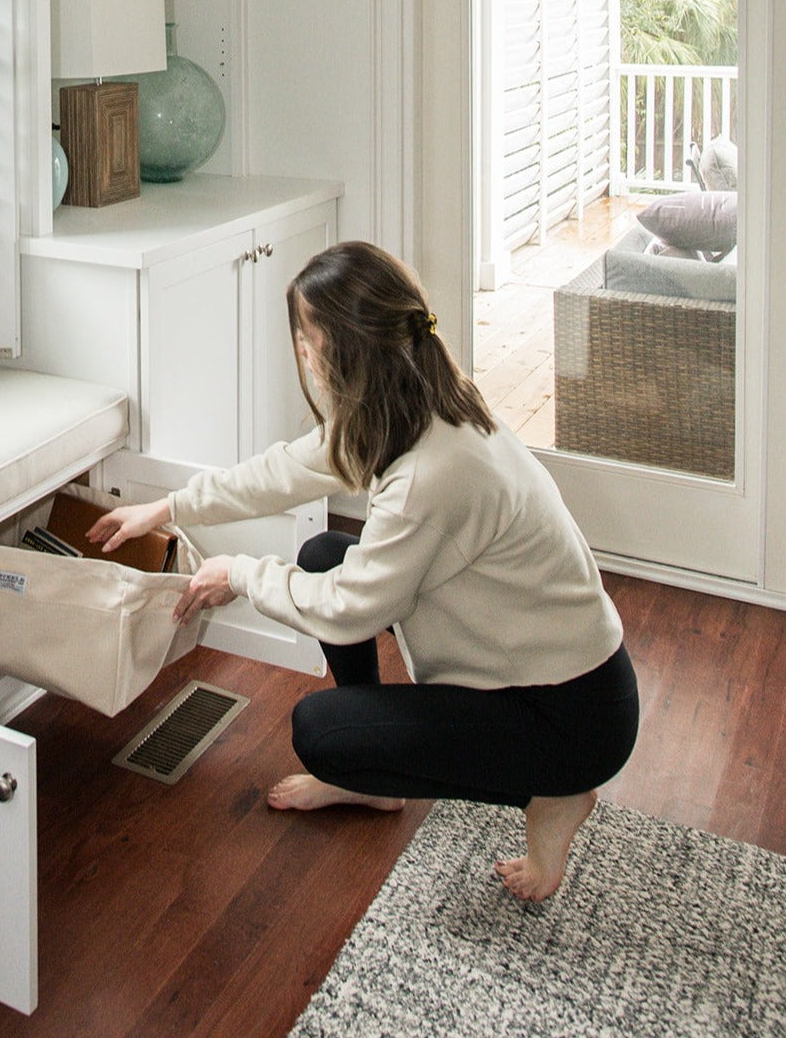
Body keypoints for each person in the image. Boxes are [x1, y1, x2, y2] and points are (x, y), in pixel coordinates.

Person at [88, 241, 639, 902]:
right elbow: (286, 470)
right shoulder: (418, 404)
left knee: (323, 734)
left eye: (306, 339)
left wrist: (238, 572)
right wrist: (168, 504)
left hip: (569, 717)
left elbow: (351, 609)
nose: (301, 354)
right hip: (552, 676)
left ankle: (553, 791)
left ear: (344, 353)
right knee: (324, 554)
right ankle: (380, 781)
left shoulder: (433, 472)